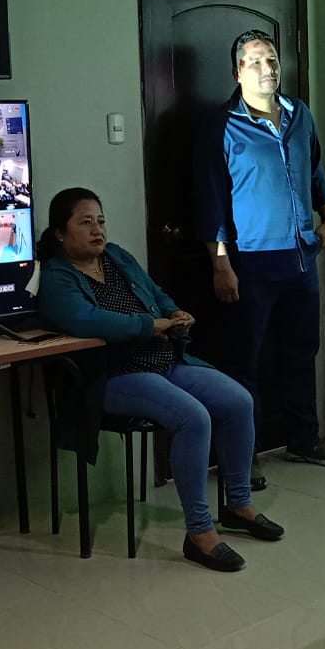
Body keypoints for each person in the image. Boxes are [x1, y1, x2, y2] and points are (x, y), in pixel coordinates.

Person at [37, 187, 283, 572]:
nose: (97, 230)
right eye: (85, 222)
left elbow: (155, 292)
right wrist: (150, 325)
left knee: (239, 402)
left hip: (163, 359)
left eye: (101, 221)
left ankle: (238, 506)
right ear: (60, 232)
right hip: (113, 374)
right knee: (193, 417)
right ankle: (199, 533)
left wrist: (174, 313)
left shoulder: (117, 256)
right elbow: (86, 320)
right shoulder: (56, 277)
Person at [194, 28, 325, 478]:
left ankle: (303, 440)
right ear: (237, 72)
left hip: (301, 257)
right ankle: (242, 457)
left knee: (302, 352)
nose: (268, 69)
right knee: (244, 362)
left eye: (273, 60)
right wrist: (220, 263)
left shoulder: (299, 114)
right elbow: (210, 198)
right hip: (250, 261)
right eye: (256, 61)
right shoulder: (222, 124)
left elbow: (315, 170)